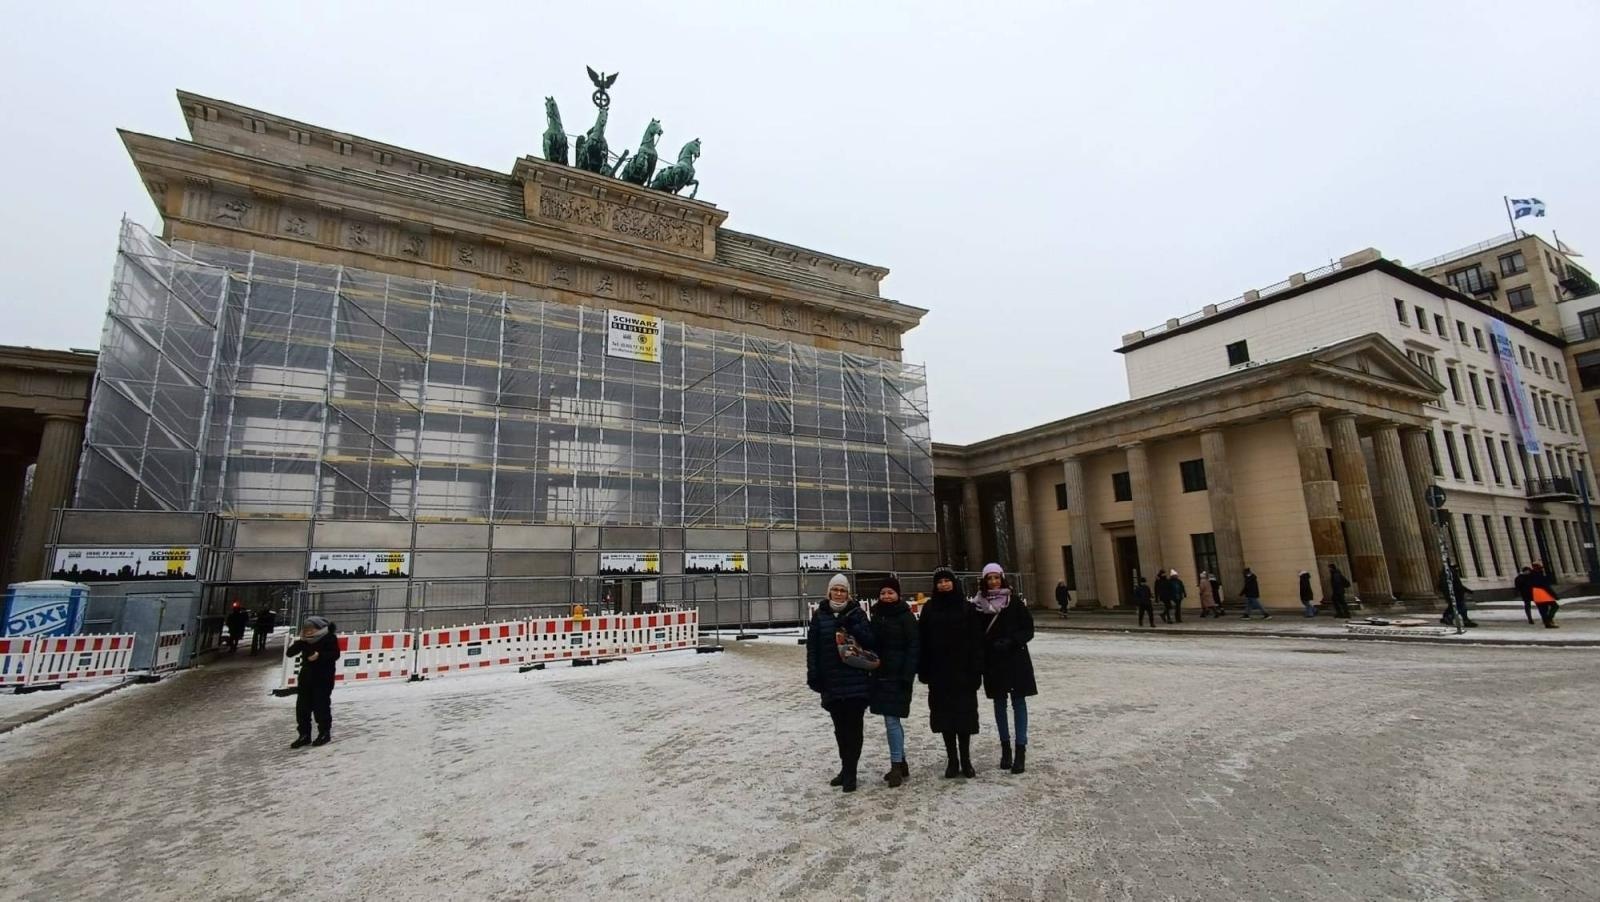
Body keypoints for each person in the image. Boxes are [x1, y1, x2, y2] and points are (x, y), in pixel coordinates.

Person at [807, 573, 875, 792]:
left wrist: (854, 625)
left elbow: (871, 641)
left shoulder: (857, 613)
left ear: (848, 593)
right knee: (840, 729)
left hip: (855, 680)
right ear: (829, 592)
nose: (838, 593)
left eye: (842, 590)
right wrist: (814, 675)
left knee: (854, 728)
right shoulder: (820, 616)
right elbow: (813, 648)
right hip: (832, 681)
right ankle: (846, 768)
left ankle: (851, 773)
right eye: (835, 590)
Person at [918, 566, 982, 779]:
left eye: (947, 580)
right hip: (939, 672)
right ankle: (952, 760)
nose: (943, 584)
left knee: (964, 717)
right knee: (945, 718)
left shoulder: (967, 608)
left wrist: (976, 670)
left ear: (954, 583)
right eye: (939, 581)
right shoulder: (929, 609)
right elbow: (923, 641)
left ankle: (966, 759)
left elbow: (976, 641)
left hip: (963, 671)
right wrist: (923, 669)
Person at [973, 563, 1036, 775]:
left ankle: (1020, 750)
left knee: (1019, 703)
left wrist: (1012, 641)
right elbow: (975, 636)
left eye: (996, 578)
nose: (993, 582)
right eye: (989, 578)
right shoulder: (978, 605)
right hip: (994, 661)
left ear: (1002, 578)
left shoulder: (1014, 602)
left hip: (1015, 658)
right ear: (984, 581)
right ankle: (1006, 749)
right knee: (999, 704)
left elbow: (1028, 629)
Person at [869, 576, 918, 788]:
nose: (886, 596)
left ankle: (896, 764)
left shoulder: (906, 617)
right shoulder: (876, 616)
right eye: (883, 593)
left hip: (899, 675)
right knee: (891, 719)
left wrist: (908, 674)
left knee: (891, 720)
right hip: (881, 674)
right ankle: (902, 761)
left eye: (890, 592)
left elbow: (914, 646)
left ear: (897, 594)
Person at [285, 616, 339, 748]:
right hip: (306, 679)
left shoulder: (329, 638)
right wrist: (300, 641)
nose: (308, 631)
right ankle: (304, 735)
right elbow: (290, 653)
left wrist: (319, 656)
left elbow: (335, 654)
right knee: (302, 708)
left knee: (321, 706)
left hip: (323, 678)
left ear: (318, 628)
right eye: (306, 629)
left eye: (311, 629)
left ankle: (324, 733)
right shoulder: (305, 641)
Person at [1529, 562, 1560, 628]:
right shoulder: (1539, 575)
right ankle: (1549, 619)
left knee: (1543, 610)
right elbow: (1546, 586)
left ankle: (1547, 623)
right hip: (1543, 593)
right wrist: (1554, 595)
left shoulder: (1531, 575)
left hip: (1536, 594)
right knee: (1555, 606)